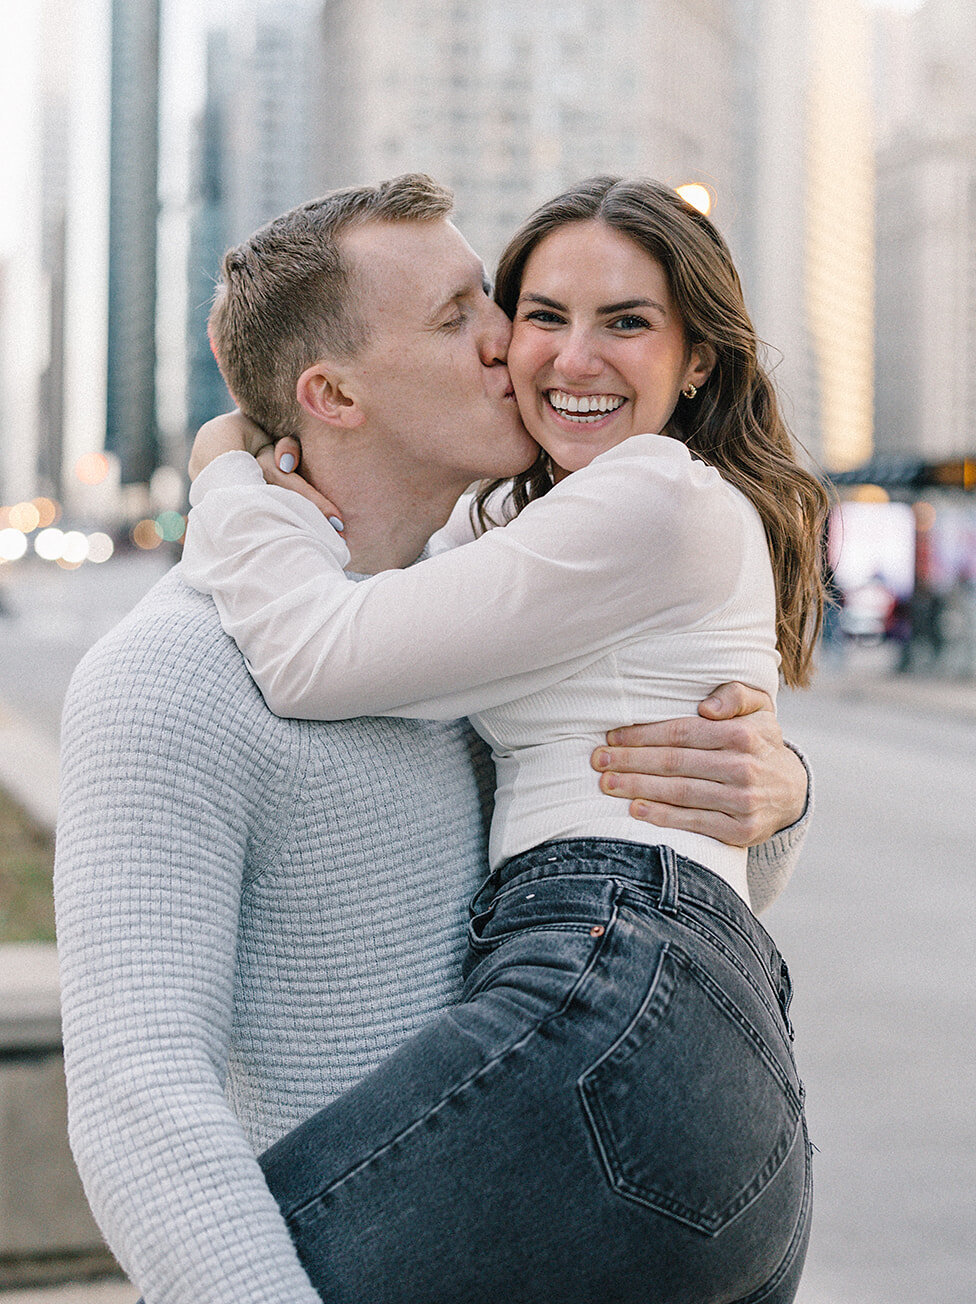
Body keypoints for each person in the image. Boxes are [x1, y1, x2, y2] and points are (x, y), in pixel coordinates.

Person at [54, 174, 813, 1304]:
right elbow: (137, 1094)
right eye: (466, 315)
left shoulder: (461, 635)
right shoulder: (171, 677)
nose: (513, 346)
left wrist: (776, 792)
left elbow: (641, 848)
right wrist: (228, 477)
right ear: (333, 393)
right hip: (660, 1144)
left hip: (638, 1082)